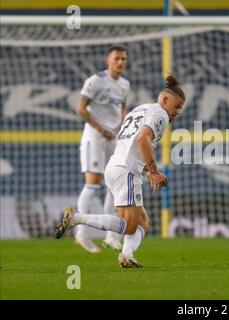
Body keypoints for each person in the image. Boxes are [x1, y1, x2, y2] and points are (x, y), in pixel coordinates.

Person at [55, 76, 185, 268]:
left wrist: (146, 170)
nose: (177, 112)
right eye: (177, 106)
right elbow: (142, 139)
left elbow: (133, 140)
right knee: (130, 226)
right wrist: (154, 171)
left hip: (116, 166)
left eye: (180, 108)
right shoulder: (161, 115)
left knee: (143, 222)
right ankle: (75, 219)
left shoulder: (141, 109)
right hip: (127, 171)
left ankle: (127, 255)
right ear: (164, 100)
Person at [75, 46, 130, 253]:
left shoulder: (125, 85)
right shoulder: (95, 81)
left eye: (123, 59)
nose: (120, 62)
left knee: (114, 184)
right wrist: (101, 129)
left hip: (113, 138)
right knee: (93, 182)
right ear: (109, 60)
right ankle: (81, 234)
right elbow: (80, 108)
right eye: (117, 58)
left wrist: (124, 129)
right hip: (94, 138)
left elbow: (121, 110)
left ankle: (111, 236)